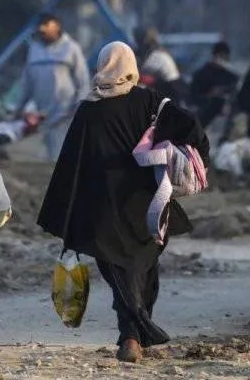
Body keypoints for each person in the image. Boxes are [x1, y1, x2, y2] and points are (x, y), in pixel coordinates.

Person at [37, 43, 209, 363]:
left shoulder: (88, 109)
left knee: (121, 276)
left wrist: (66, 216)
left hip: (102, 209)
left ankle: (133, 335)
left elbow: (71, 165)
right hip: (146, 206)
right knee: (143, 270)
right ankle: (134, 335)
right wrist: (187, 159)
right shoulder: (150, 102)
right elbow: (193, 129)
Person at [17, 13, 91, 161]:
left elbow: (83, 82)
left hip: (64, 115)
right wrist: (18, 108)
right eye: (41, 29)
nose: (43, 32)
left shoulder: (71, 48)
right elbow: (27, 83)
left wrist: (78, 108)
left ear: (56, 27)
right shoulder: (34, 50)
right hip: (40, 116)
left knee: (60, 157)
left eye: (46, 28)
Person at [188, 41, 239, 128]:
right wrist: (211, 95)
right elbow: (192, 98)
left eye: (224, 56)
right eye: (220, 55)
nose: (221, 59)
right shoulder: (202, 74)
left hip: (226, 119)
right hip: (205, 118)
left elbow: (236, 96)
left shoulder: (232, 76)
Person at [138, 30, 185, 98]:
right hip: (169, 86)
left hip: (170, 87)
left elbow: (143, 68)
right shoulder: (159, 52)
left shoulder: (158, 54)